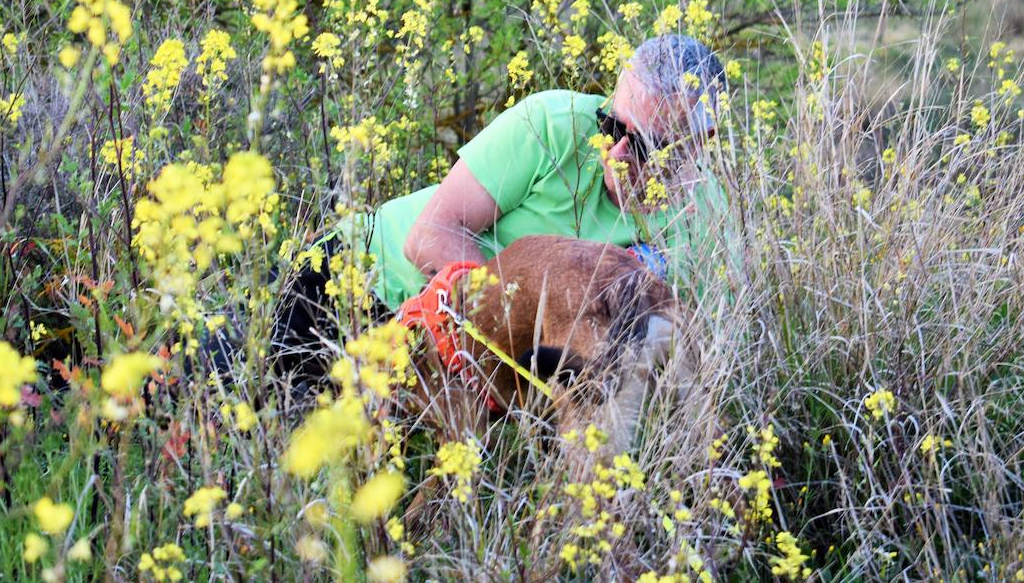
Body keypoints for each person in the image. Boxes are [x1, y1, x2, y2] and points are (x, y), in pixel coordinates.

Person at [270, 33, 738, 384]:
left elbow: (689, 349)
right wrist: (516, 328)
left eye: (646, 146)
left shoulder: (708, 221)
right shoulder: (551, 124)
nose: (615, 153)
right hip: (361, 281)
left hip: (471, 370)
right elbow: (428, 234)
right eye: (612, 125)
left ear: (700, 143)